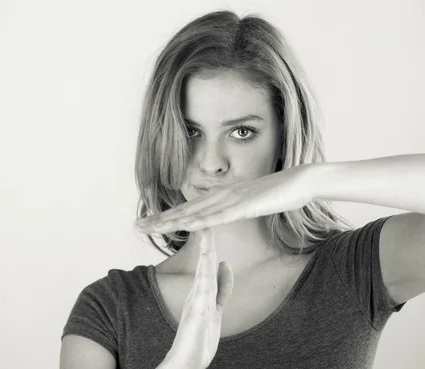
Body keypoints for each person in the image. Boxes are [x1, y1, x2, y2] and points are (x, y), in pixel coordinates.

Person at [59, 9, 425, 369]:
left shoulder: (355, 270)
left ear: (283, 137)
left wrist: (313, 179)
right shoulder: (110, 309)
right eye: (191, 132)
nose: (211, 162)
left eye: (241, 132)